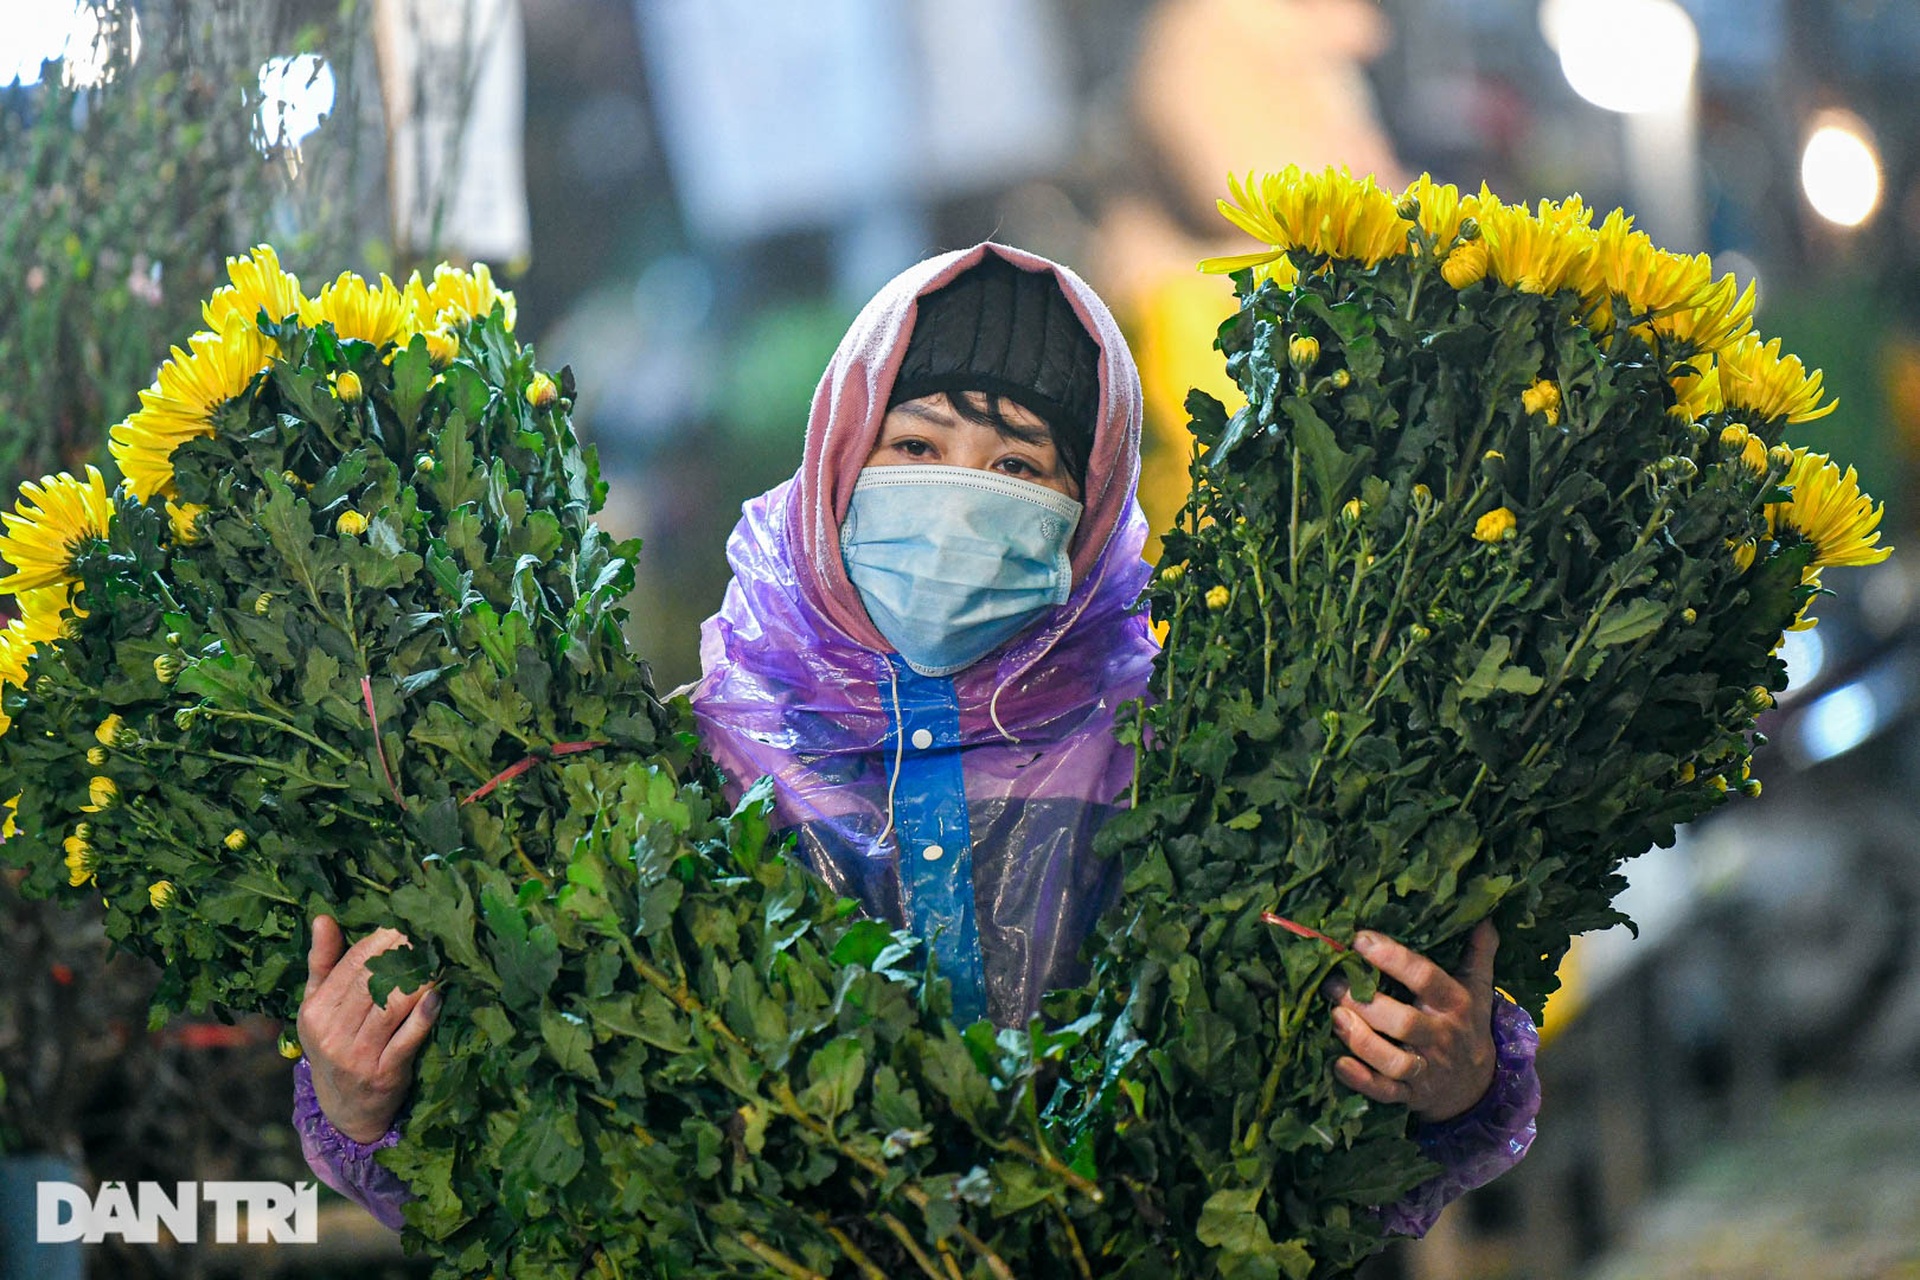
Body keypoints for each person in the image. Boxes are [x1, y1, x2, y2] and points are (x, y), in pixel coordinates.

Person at [293, 243, 1540, 1237]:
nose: (958, 497)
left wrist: (1454, 1083)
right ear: (839, 457)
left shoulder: (1202, 762)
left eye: (1019, 463)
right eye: (918, 447)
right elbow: (550, 1173)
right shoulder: (670, 776)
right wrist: (362, 1101)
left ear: (1091, 503)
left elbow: (1327, 1148)